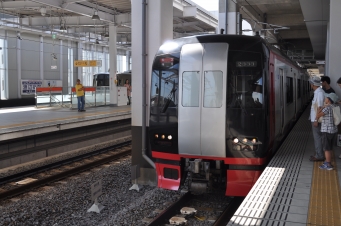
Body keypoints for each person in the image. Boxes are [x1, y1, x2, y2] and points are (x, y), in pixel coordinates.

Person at [315, 92, 339, 170]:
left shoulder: (327, 108)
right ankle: (327, 161)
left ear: (328, 100)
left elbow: (318, 116)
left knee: (326, 148)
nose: (324, 99)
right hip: (333, 130)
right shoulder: (334, 106)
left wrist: (319, 109)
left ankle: (328, 164)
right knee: (330, 147)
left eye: (326, 98)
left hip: (327, 131)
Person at [309, 76, 325, 162]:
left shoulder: (319, 93)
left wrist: (316, 119)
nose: (310, 84)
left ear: (313, 84)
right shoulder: (318, 92)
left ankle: (319, 156)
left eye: (311, 83)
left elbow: (320, 107)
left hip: (316, 119)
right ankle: (319, 154)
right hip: (315, 118)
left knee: (318, 137)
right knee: (318, 137)